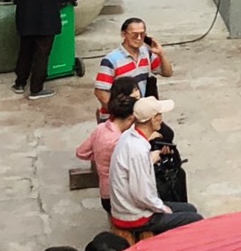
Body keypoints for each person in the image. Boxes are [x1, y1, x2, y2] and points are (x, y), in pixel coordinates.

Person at [109, 95, 202, 234]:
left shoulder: (129, 136)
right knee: (196, 219)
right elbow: (142, 195)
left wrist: (153, 156)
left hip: (128, 207)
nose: (161, 119)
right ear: (153, 119)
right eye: (159, 115)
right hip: (135, 216)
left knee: (190, 208)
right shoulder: (138, 149)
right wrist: (163, 209)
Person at [10, 0, 75, 100]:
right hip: (47, 18)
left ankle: (19, 83)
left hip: (25, 17)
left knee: (25, 50)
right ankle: (36, 89)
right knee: (42, 53)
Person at [76, 82, 141, 213]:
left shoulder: (101, 128)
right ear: (131, 118)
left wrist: (100, 157)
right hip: (119, 195)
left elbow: (81, 152)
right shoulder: (120, 142)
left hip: (105, 192)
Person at [95, 17, 172, 114]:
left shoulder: (146, 53)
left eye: (142, 35)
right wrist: (119, 114)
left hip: (139, 112)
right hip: (120, 116)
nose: (139, 38)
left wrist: (161, 54)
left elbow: (167, 73)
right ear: (124, 34)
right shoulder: (111, 60)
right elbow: (100, 92)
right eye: (134, 35)